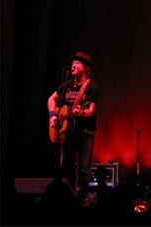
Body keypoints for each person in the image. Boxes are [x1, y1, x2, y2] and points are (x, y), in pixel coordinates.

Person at [48, 51, 99, 203]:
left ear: (85, 67)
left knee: (84, 168)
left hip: (85, 132)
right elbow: (51, 99)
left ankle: (81, 200)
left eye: (77, 63)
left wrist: (80, 112)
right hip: (69, 132)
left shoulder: (91, 86)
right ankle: (63, 197)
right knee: (65, 166)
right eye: (72, 63)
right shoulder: (67, 86)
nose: (73, 65)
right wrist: (53, 115)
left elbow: (89, 110)